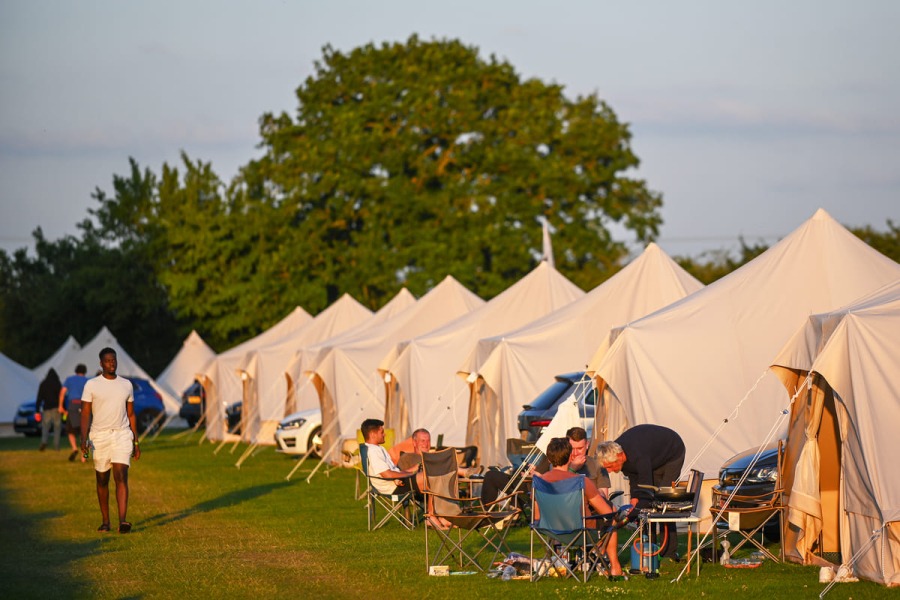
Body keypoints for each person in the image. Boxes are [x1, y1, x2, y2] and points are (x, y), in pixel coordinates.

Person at [535, 437, 624, 578]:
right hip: (580, 531)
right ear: (570, 457)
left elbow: (536, 516)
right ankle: (614, 567)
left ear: (549, 460)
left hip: (549, 530)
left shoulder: (539, 481)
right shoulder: (581, 481)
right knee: (611, 518)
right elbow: (606, 512)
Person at [596, 424, 685, 560]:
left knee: (663, 500)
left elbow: (646, 489)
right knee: (645, 506)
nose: (609, 471)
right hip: (653, 457)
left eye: (609, 467)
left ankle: (669, 552)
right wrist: (634, 499)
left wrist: (633, 513)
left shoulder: (638, 455)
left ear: (620, 456)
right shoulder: (619, 454)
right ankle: (649, 546)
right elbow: (634, 477)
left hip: (672, 453)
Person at [80, 347, 141, 534]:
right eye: (107, 361)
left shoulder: (126, 384)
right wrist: (84, 439)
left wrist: (136, 441)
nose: (111, 363)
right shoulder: (91, 385)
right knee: (102, 479)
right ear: (101, 363)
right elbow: (85, 413)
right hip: (99, 436)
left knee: (121, 475)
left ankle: (122, 521)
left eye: (113, 360)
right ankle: (105, 522)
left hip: (122, 434)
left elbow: (131, 414)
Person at [481, 426, 610, 504]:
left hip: (583, 510)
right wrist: (534, 475)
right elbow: (548, 488)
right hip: (553, 508)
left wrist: (572, 470)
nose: (576, 453)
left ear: (587, 445)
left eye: (580, 448)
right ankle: (489, 517)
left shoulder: (597, 465)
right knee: (492, 475)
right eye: (572, 448)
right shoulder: (558, 459)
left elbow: (603, 496)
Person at [60, 364, 89, 462]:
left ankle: (74, 448)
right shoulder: (88, 381)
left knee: (70, 430)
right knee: (84, 432)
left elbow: (62, 392)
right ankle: (84, 457)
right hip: (85, 405)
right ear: (85, 371)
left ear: (76, 370)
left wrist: (60, 406)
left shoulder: (69, 379)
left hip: (73, 404)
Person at [36, 368, 63, 451]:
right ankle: (56, 446)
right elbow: (62, 396)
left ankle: (44, 441)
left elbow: (39, 397)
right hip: (56, 408)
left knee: (45, 427)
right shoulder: (57, 383)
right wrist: (63, 407)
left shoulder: (43, 383)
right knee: (57, 427)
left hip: (46, 409)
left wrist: (37, 410)